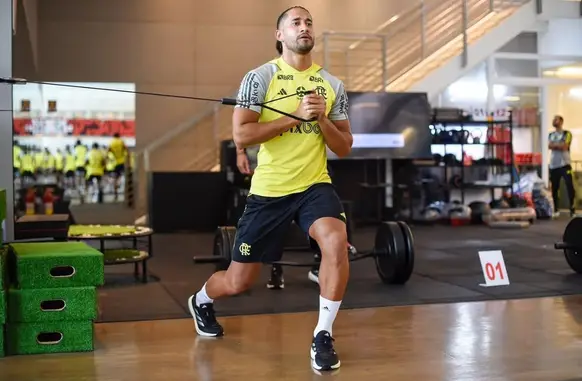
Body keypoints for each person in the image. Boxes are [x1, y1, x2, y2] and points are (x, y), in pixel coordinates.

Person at [188, 5, 352, 371]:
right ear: (280, 35)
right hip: (270, 191)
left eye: (309, 22)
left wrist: (322, 117)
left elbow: (343, 145)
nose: (304, 27)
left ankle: (323, 335)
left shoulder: (333, 85)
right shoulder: (259, 78)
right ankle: (200, 300)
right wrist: (293, 114)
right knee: (238, 281)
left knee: (336, 241)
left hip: (314, 185)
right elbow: (241, 134)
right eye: (295, 22)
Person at [548, 115, 576, 217]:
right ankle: (555, 209)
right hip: (553, 165)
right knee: (555, 187)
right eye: (553, 119)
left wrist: (556, 145)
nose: (554, 121)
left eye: (556, 119)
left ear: (561, 121)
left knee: (570, 186)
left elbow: (565, 146)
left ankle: (572, 209)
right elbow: (549, 145)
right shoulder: (551, 134)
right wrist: (559, 145)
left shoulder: (567, 133)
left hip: (565, 164)